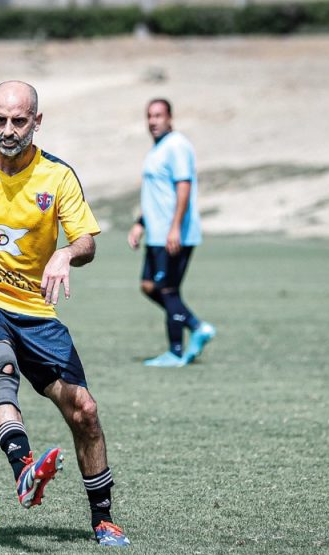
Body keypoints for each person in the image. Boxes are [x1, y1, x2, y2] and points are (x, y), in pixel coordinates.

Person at [0, 81, 130, 547]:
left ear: (36, 122)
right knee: (1, 362)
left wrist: (66, 253)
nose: (7, 130)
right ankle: (23, 467)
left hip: (33, 308)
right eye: (0, 119)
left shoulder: (57, 176)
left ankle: (103, 519)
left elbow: (86, 241)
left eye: (18, 121)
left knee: (84, 410)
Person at [127, 98, 215, 367]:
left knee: (168, 290)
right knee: (148, 286)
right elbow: (156, 194)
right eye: (149, 116)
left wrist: (175, 227)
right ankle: (196, 326)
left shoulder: (177, 145)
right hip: (156, 234)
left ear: (170, 118)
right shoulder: (157, 149)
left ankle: (176, 352)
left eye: (158, 115)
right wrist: (141, 223)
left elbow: (183, 188)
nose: (153, 121)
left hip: (173, 234)